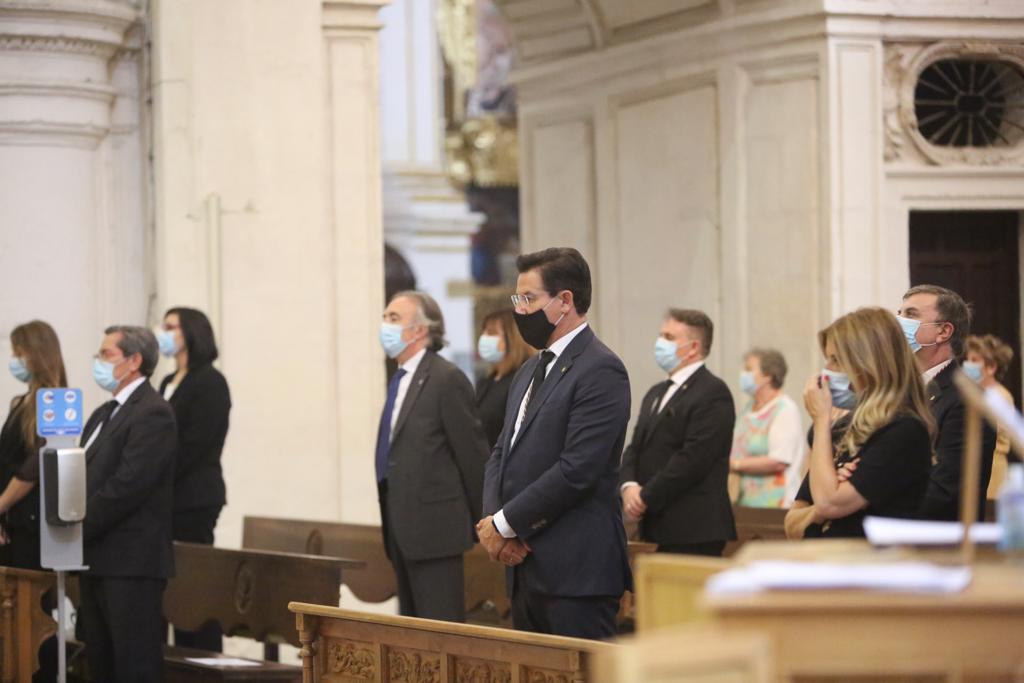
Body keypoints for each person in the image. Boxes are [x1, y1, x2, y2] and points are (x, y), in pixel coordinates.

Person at [478, 247, 632, 640]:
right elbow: (502, 451)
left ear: (565, 301)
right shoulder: (530, 368)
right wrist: (498, 527)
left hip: (576, 573)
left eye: (528, 299)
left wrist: (504, 523)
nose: (520, 311)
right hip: (525, 566)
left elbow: (577, 469)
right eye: (517, 299)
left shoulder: (601, 369)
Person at [376, 291, 489, 622]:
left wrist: (487, 524)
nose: (385, 325)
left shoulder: (445, 378)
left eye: (394, 319)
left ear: (419, 330)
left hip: (436, 534)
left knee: (440, 637)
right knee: (411, 643)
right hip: (400, 528)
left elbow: (473, 457)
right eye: (385, 318)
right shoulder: (399, 380)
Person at [79, 326, 177, 682]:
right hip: (97, 558)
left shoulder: (153, 413)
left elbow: (128, 485)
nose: (99, 362)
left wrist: (76, 524)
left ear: (134, 361)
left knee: (133, 667)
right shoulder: (105, 413)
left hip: (131, 564)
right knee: (101, 663)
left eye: (106, 355)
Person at [796, 307, 934, 538]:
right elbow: (792, 524)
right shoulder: (845, 427)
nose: (826, 370)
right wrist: (820, 509)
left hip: (871, 566)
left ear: (869, 364)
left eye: (836, 360)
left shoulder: (904, 430)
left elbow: (830, 502)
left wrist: (821, 421)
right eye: (827, 359)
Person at [620, 310, 736, 556]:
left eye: (669, 337)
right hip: (656, 522)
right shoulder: (656, 392)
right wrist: (628, 487)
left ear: (693, 347)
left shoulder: (713, 392)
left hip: (694, 527)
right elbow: (635, 447)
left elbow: (693, 458)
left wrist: (645, 496)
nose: (660, 343)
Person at [157, 307, 231, 651]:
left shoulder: (210, 382)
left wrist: (153, 477)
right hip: (164, 500)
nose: (164, 332)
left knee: (192, 591)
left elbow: (198, 445)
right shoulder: (166, 382)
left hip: (193, 499)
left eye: (171, 327)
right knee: (166, 591)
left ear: (192, 332)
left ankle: (199, 656)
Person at [898, 285, 996, 521]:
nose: (898, 322)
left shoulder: (967, 400)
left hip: (938, 546)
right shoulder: (898, 392)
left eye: (910, 315)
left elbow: (942, 492)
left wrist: (868, 507)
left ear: (943, 332)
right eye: (899, 313)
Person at [0, 321, 68, 570]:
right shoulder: (21, 402)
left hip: (32, 521)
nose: (14, 361)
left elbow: (34, 467)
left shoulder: (55, 402)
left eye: (19, 354)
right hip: (11, 516)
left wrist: (1, 505)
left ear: (37, 354)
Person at [728, 348, 805, 508]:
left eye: (749, 369)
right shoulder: (749, 408)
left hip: (775, 503)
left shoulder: (784, 409)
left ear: (767, 376)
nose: (743, 374)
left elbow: (779, 461)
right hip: (744, 501)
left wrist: (734, 464)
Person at [964, 334, 1016, 498]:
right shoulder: (975, 394)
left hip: (994, 477)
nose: (968, 365)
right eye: (967, 359)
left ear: (991, 367)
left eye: (974, 360)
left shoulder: (1000, 396)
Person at [475, 309, 535, 448]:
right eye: (484, 332)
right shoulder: (486, 382)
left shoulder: (523, 379)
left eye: (491, 333)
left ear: (512, 338)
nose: (484, 338)